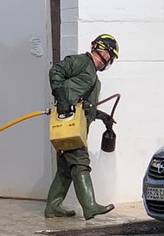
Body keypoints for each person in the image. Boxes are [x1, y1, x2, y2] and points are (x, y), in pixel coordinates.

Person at [44, 34, 120, 220]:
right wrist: (62, 99)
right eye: (110, 57)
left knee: (65, 167)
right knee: (80, 162)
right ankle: (90, 206)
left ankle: (53, 207)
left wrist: (103, 117)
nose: (108, 62)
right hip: (68, 120)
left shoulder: (94, 78)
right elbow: (56, 71)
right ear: (103, 52)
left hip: (77, 124)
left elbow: (87, 106)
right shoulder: (81, 62)